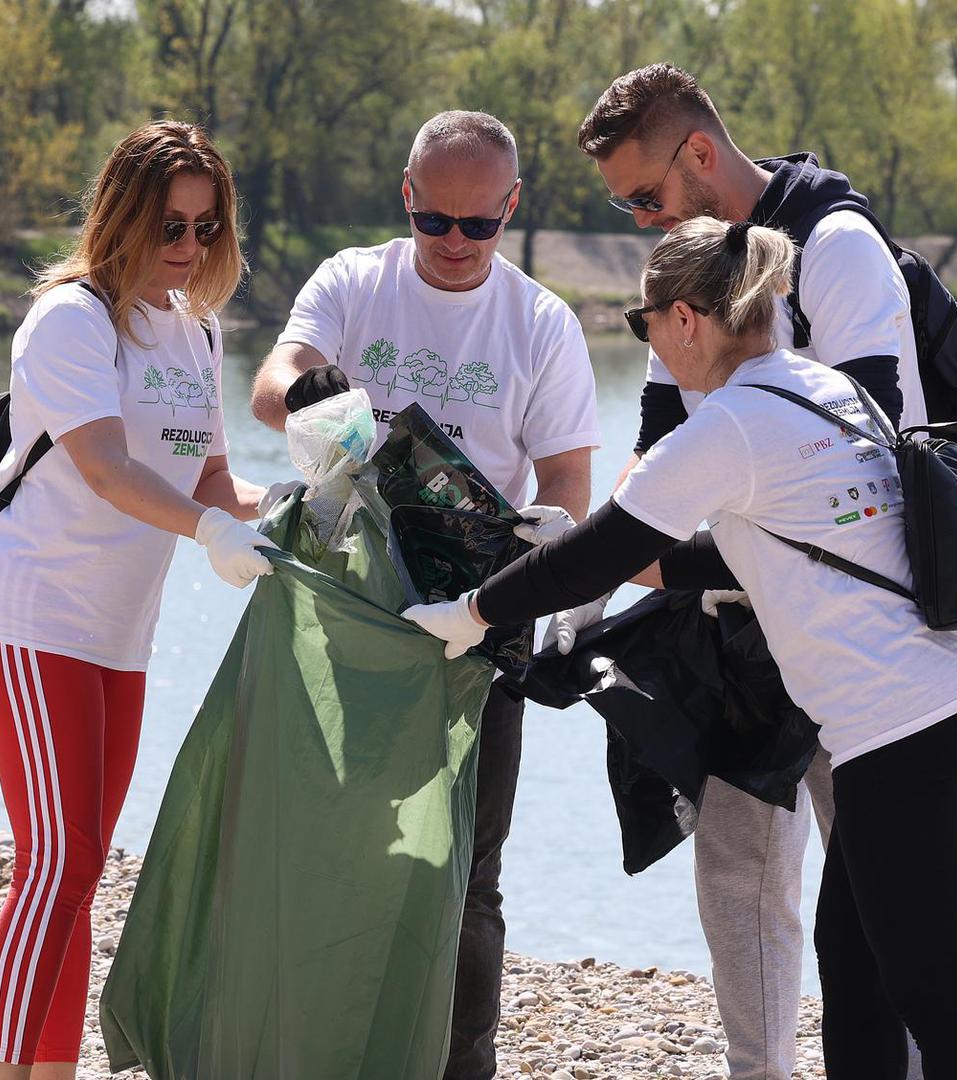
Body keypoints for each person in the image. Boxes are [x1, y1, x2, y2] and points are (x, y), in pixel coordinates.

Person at [405, 216, 957, 1080]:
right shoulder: (822, 387)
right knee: (860, 977)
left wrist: (470, 610)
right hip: (951, 707)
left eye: (642, 324)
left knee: (939, 1005)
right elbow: (737, 553)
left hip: (897, 738)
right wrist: (574, 547)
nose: (649, 340)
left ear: (683, 318)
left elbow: (600, 556)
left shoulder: (728, 426)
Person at [560, 62, 928, 1080]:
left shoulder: (839, 250)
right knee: (737, 874)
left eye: (644, 196)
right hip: (734, 622)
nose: (638, 220)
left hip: (855, 630)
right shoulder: (683, 277)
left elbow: (874, 458)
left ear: (699, 154)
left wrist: (663, 566)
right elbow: (651, 449)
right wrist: (584, 583)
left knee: (879, 906)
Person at [249, 110, 600, 1080]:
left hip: (478, 611)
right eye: (434, 221)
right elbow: (271, 382)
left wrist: (552, 531)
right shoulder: (354, 281)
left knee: (464, 875)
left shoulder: (542, 323)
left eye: (478, 227)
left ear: (512, 210)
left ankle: (459, 1066)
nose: (453, 244)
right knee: (335, 844)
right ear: (406, 194)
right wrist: (358, 435)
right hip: (351, 593)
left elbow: (567, 481)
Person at [0, 120, 277, 1080]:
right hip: (32, 622)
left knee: (83, 866)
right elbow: (103, 466)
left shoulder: (196, 329)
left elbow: (214, 481)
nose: (185, 248)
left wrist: (300, 502)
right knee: (53, 865)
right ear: (122, 217)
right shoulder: (71, 317)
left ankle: (49, 1070)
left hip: (117, 638)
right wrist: (209, 533)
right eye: (169, 226)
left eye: (204, 228)